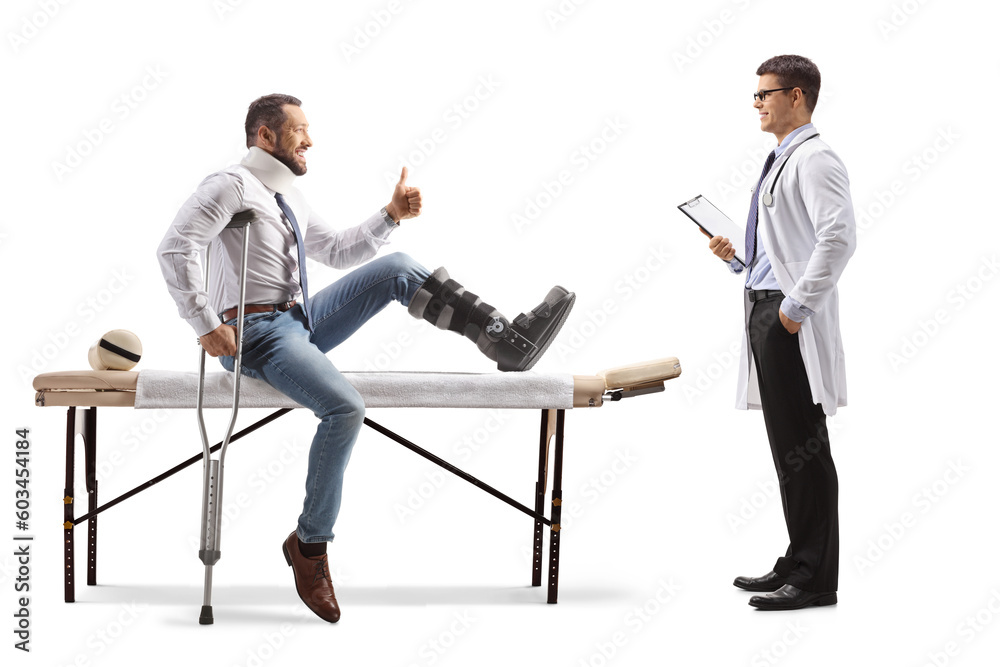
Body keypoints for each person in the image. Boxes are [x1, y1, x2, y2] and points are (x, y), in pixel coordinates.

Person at [156, 94, 575, 623]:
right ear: (264, 135)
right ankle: (309, 547)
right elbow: (175, 248)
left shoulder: (286, 195)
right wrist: (205, 323)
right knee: (345, 408)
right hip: (255, 333)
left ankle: (505, 340)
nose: (310, 140)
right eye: (298, 130)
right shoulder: (229, 186)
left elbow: (336, 251)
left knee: (397, 265)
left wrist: (391, 215)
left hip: (297, 319)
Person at [708, 55, 856, 610]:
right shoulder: (779, 159)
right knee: (787, 446)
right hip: (765, 308)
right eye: (756, 95)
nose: (757, 103)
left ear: (797, 96)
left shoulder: (816, 159)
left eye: (765, 94)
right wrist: (737, 258)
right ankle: (799, 561)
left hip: (787, 317)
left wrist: (794, 310)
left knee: (805, 447)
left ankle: (816, 579)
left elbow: (837, 239)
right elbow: (780, 248)